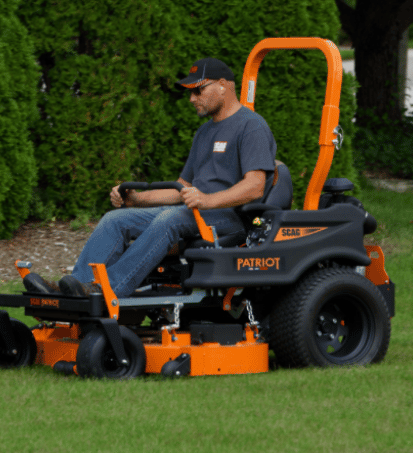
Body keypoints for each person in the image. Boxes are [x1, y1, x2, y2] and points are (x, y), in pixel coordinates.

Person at [24, 57, 277, 298]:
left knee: (171, 218)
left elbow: (255, 186)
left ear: (222, 86)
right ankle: (78, 287)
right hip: (194, 213)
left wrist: (207, 201)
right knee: (115, 220)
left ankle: (108, 288)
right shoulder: (204, 132)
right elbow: (181, 188)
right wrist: (136, 200)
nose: (192, 98)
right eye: (190, 93)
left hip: (231, 217)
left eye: (198, 91)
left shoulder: (250, 126)